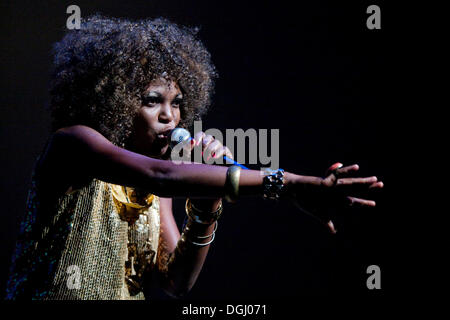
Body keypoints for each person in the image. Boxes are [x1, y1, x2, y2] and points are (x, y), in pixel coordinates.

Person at [5, 15, 383, 300]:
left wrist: (206, 204)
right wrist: (292, 183)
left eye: (178, 104)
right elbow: (162, 175)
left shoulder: (160, 185)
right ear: (114, 101)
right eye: (152, 101)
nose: (170, 116)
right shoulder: (73, 145)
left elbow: (175, 281)